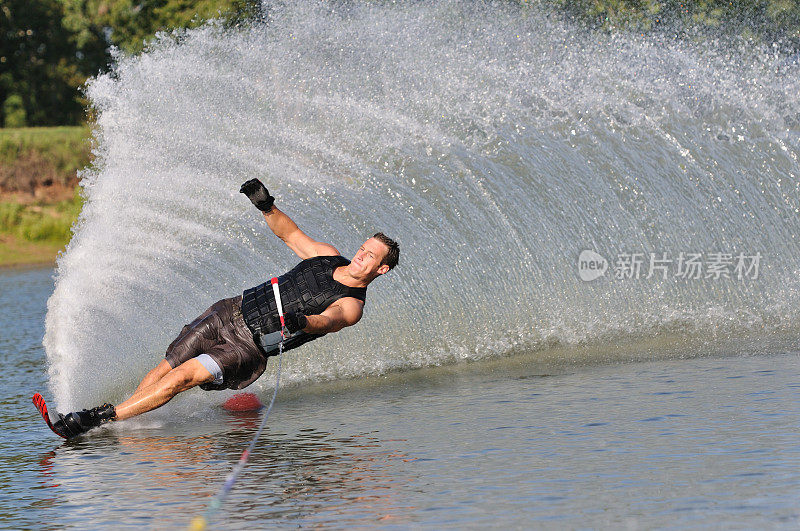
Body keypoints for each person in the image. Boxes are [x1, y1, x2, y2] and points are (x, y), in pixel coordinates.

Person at [48, 178, 399, 438]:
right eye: (364, 247)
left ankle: (95, 419)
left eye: (372, 256)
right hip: (229, 312)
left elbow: (327, 320)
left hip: (246, 347)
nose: (362, 254)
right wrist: (266, 206)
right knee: (167, 366)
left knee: (183, 378)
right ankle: (127, 418)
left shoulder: (352, 305)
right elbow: (290, 234)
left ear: (381, 269)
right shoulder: (325, 254)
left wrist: (301, 320)